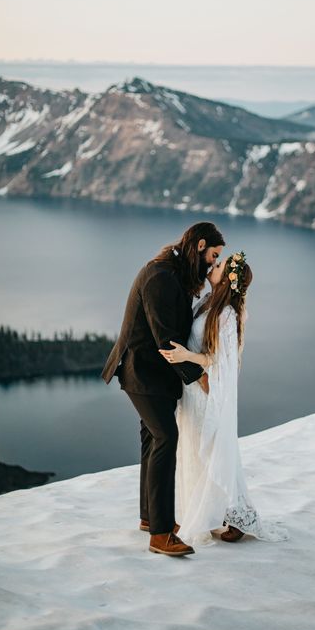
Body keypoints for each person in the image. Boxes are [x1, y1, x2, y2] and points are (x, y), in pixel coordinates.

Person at [101, 222, 225, 556]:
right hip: (141, 372)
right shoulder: (161, 276)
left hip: (153, 374)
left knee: (152, 437)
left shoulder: (173, 271)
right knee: (165, 437)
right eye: (213, 255)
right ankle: (161, 533)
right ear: (199, 246)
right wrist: (198, 373)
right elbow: (165, 339)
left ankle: (149, 518)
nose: (214, 264)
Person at [159, 251, 289, 547]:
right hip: (192, 390)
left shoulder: (227, 314)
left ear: (228, 279)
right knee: (196, 451)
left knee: (213, 453)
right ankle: (210, 513)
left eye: (218, 265)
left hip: (206, 394)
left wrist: (185, 356)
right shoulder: (208, 303)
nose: (212, 266)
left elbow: (218, 360)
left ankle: (238, 514)